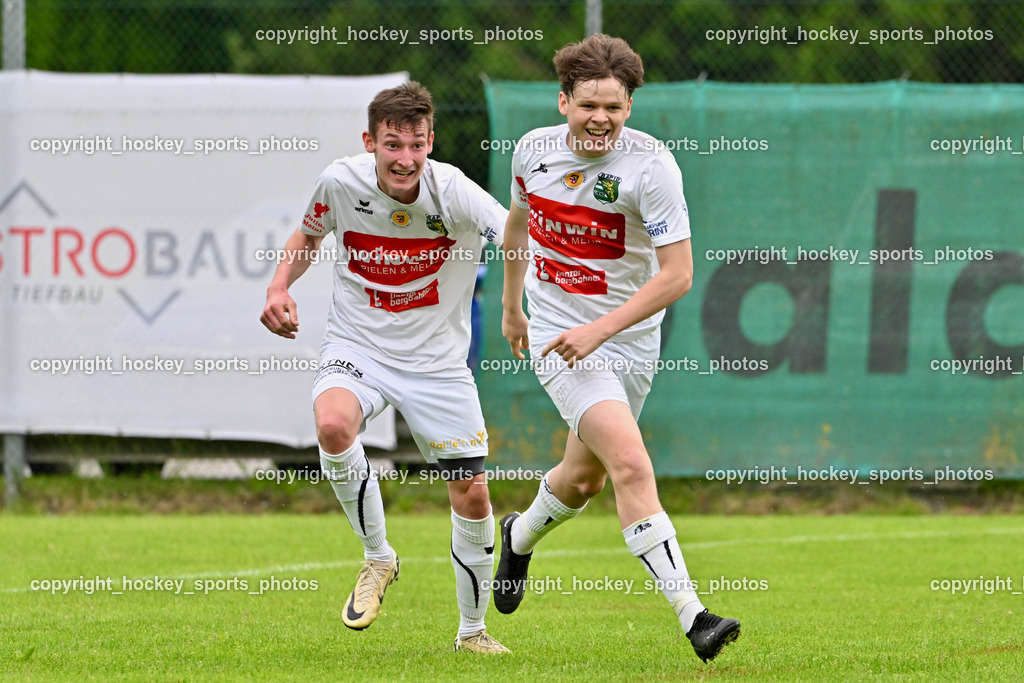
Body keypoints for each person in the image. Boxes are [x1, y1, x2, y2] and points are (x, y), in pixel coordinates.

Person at [494, 34, 741, 663]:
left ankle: (518, 537)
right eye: (588, 105)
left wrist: (602, 330)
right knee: (632, 463)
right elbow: (518, 226)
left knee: (583, 480)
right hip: (559, 336)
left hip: (628, 340)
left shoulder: (652, 167)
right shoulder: (532, 151)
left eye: (613, 106)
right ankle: (695, 616)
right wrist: (513, 307)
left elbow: (678, 276)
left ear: (630, 106)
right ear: (563, 102)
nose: (600, 118)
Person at [260, 82, 509, 654]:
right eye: (392, 144)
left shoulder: (455, 191)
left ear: (431, 142)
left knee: (472, 494)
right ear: (369, 142)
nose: (405, 158)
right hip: (359, 347)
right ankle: (378, 558)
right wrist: (278, 286)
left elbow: (513, 235)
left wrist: (522, 302)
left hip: (437, 363)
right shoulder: (340, 182)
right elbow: (308, 235)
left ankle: (472, 633)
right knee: (332, 425)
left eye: (416, 144)